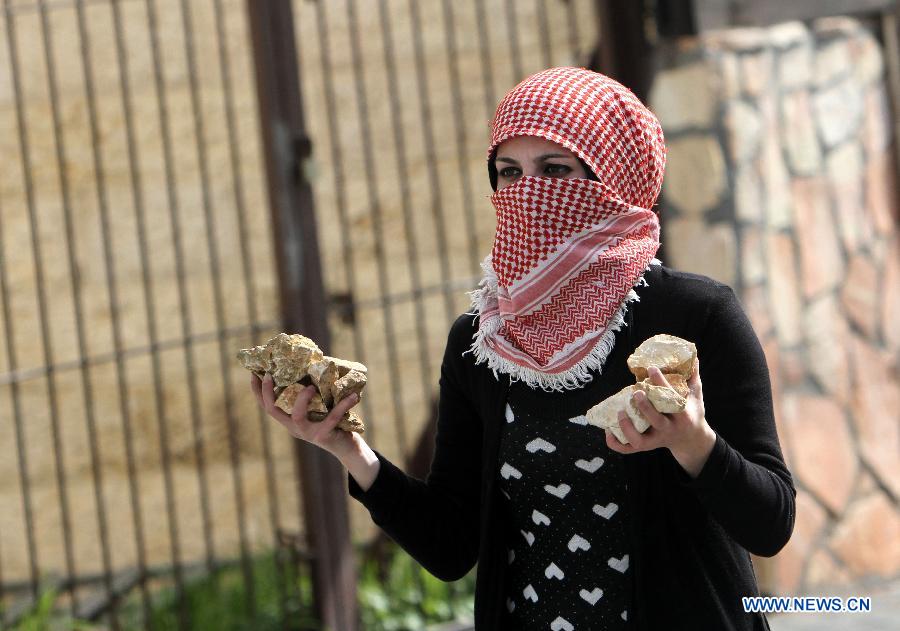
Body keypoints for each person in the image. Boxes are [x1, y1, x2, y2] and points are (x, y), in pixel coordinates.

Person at [251, 67, 795, 630]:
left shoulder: (694, 317)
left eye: (555, 169)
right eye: (508, 172)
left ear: (614, 179)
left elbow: (770, 523)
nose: (527, 192)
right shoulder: (482, 341)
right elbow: (452, 546)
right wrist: (350, 452)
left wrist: (695, 443)